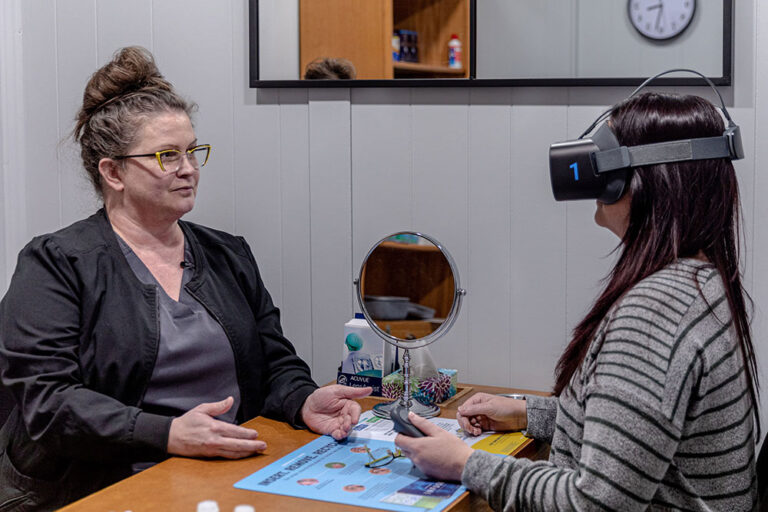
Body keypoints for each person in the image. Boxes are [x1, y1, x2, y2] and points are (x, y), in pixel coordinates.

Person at [0, 46, 370, 510]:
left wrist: (302, 399)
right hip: (103, 485)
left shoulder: (225, 253)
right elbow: (48, 404)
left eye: (193, 151)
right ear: (113, 172)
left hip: (227, 474)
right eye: (167, 155)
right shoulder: (56, 263)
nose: (189, 169)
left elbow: (275, 362)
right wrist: (169, 433)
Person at [395, 92, 759, 511]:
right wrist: (529, 414)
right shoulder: (700, 282)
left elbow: (594, 504)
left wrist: (466, 464)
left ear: (632, 178)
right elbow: (638, 435)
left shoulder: (656, 311)